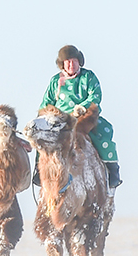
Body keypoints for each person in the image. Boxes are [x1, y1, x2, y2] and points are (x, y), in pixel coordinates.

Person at [34, 45, 121, 189]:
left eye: (73, 61)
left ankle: (112, 169)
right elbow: (47, 102)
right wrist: (44, 115)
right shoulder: (56, 81)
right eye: (67, 61)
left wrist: (83, 107)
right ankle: (40, 170)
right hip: (60, 120)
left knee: (103, 132)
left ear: (79, 61)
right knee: (43, 138)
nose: (71, 64)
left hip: (83, 117)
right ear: (62, 64)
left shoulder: (88, 76)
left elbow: (95, 96)